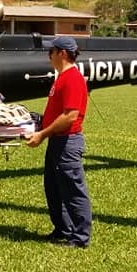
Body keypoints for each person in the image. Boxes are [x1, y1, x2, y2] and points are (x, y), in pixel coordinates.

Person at [25, 36, 92, 248]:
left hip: (67, 143)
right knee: (53, 189)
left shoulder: (72, 78)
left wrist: (42, 134)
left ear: (62, 53)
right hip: (57, 142)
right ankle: (63, 230)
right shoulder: (62, 77)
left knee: (73, 191)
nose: (49, 55)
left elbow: (70, 115)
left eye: (51, 51)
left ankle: (80, 238)